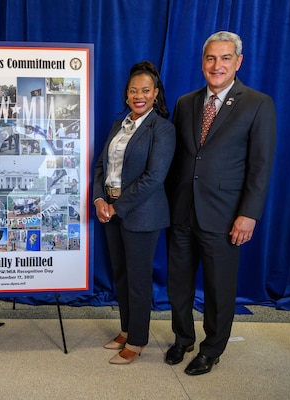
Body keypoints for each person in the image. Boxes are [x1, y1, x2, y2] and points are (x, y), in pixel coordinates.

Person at [165, 31, 276, 375]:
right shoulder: (186, 103)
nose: (217, 65)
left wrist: (248, 214)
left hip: (226, 216)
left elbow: (261, 165)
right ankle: (183, 338)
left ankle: (212, 349)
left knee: (218, 289)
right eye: (211, 58)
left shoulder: (258, 104)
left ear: (238, 62)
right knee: (178, 284)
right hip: (182, 211)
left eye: (225, 58)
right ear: (203, 62)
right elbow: (180, 160)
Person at [92, 61, 175, 364]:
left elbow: (154, 177)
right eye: (133, 90)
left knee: (138, 279)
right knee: (121, 275)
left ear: (155, 94)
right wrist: (100, 200)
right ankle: (127, 329)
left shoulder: (162, 129)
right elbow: (101, 166)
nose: (138, 95)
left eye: (145, 90)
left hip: (141, 214)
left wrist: (117, 206)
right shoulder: (119, 125)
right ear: (126, 95)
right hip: (111, 211)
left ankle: (138, 341)